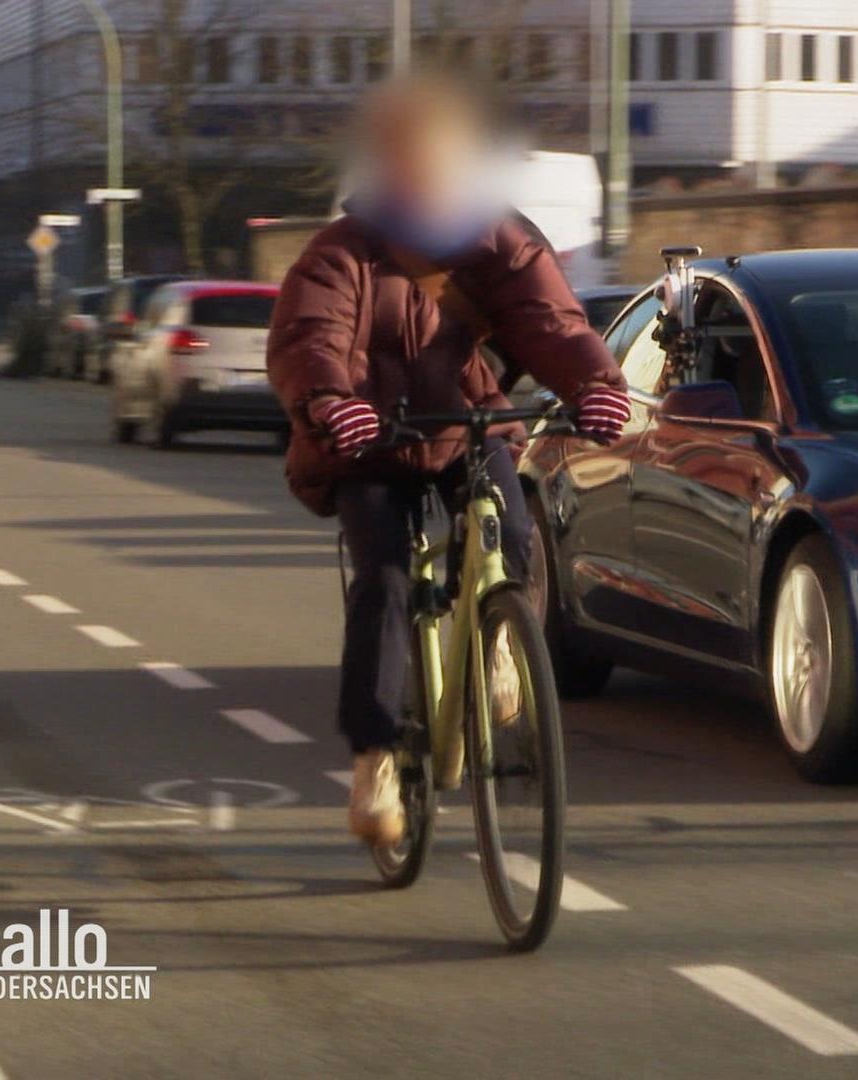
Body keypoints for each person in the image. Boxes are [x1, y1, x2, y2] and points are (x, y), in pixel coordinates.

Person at [267, 74, 630, 848]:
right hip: (366, 438)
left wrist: (596, 384)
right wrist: (332, 403)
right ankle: (375, 760)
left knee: (514, 525)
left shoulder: (499, 239)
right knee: (386, 581)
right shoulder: (343, 253)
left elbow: (551, 323)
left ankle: (502, 643)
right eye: (411, 163)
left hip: (465, 423)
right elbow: (310, 340)